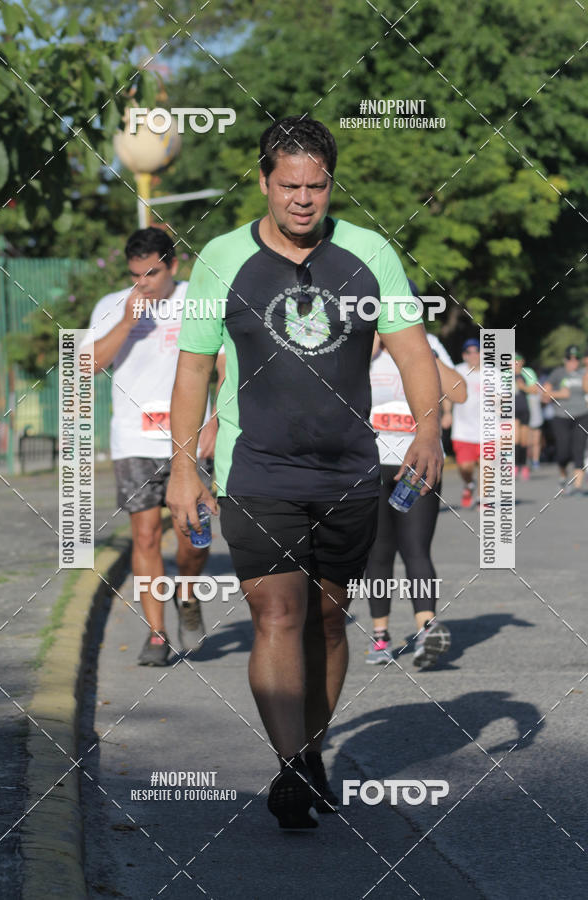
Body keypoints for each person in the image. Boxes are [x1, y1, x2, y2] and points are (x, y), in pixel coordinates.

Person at [166, 116, 443, 829]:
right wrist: (183, 467)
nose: (302, 200)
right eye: (288, 185)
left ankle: (312, 751)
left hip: (349, 473)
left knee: (326, 617)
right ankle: (290, 767)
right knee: (277, 613)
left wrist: (429, 430)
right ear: (264, 181)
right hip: (256, 471)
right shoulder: (221, 260)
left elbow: (413, 352)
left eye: (316, 186)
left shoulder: (369, 251)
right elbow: (194, 366)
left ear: (330, 184)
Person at [88, 227, 224, 666]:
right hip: (133, 440)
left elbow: (225, 365)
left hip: (191, 439)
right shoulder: (112, 306)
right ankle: (156, 634)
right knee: (145, 536)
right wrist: (128, 320)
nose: (143, 283)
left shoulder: (198, 300)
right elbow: (86, 363)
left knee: (194, 534)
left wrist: (218, 420)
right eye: (134, 275)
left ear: (174, 266)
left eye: (152, 273)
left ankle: (187, 590)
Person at [364, 317, 467, 669]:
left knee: (415, 548)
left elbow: (460, 392)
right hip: (370, 463)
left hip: (418, 462)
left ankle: (426, 630)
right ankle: (380, 636)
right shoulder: (364, 342)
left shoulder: (430, 343)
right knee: (378, 552)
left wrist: (422, 350)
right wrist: (374, 345)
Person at [542, 345, 588, 494]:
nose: (573, 361)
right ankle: (563, 475)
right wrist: (560, 394)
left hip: (581, 415)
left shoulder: (584, 373)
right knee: (563, 452)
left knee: (579, 449)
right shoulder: (557, 373)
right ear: (565, 359)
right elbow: (544, 394)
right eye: (570, 358)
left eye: (576, 359)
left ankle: (578, 486)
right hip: (561, 416)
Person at [451, 338, 481, 507]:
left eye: (476, 351)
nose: (473, 355)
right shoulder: (457, 371)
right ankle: (469, 484)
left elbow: (505, 396)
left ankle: (482, 499)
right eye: (469, 352)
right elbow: (447, 393)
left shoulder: (494, 373)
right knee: (465, 467)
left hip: (489, 430)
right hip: (463, 430)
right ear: (464, 355)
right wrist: (447, 413)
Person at [514, 354, 541, 480]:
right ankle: (514, 466)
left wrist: (523, 387)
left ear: (522, 361)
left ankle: (524, 465)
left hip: (525, 408)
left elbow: (535, 389)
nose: (516, 363)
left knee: (525, 440)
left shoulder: (528, 372)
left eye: (518, 360)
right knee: (515, 439)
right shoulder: (505, 374)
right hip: (512, 409)